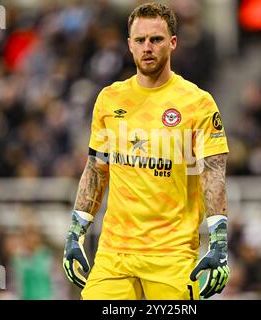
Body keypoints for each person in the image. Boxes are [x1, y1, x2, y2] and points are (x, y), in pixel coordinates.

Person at [63, 2, 230, 300]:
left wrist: (219, 242)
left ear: (173, 43)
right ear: (129, 45)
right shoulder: (109, 98)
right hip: (115, 253)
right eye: (140, 40)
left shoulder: (198, 103)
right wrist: (75, 232)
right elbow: (96, 169)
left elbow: (212, 174)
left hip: (172, 255)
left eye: (156, 39)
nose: (147, 47)